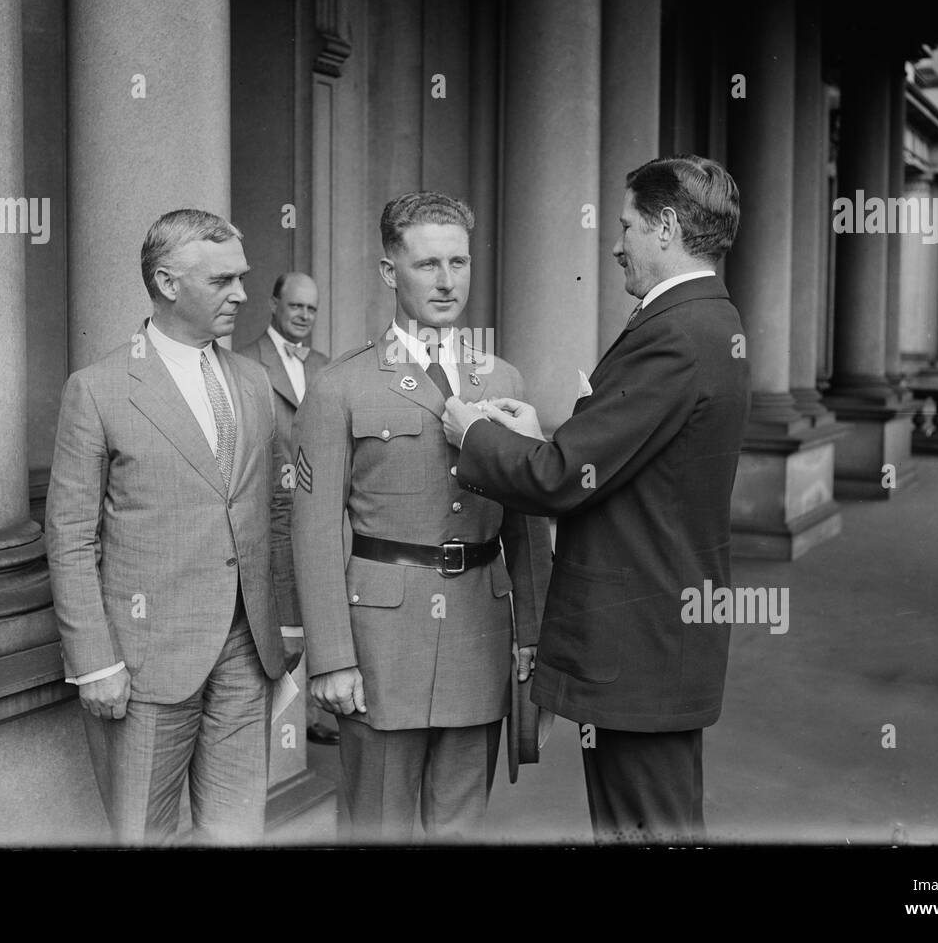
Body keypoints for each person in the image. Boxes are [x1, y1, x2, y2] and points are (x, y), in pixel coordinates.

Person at [442, 154, 751, 844]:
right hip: (657, 638)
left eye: (628, 225)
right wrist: (547, 434)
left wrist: (478, 433)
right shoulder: (706, 320)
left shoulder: (674, 332)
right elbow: (628, 457)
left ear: (666, 226)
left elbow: (558, 479)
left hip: (638, 640)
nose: (615, 244)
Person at [292, 191, 552, 842]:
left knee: (460, 825)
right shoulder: (340, 387)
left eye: (459, 263)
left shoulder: (502, 379)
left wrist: (533, 634)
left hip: (479, 628)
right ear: (389, 272)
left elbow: (523, 522)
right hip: (380, 641)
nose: (446, 281)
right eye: (427, 264)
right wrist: (330, 657)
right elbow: (315, 530)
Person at [46, 209, 301, 845]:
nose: (242, 294)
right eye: (222, 281)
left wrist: (287, 618)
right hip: (143, 659)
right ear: (166, 283)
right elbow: (71, 536)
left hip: (248, 648)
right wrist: (95, 661)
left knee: (237, 831)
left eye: (242, 278)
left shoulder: (253, 379)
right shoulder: (99, 389)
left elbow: (273, 507)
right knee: (143, 834)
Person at [237, 272, 338, 745]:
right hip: (269, 511)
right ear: (274, 304)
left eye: (311, 309)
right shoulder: (244, 362)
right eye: (295, 306)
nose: (303, 315)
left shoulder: (325, 366)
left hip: (319, 510)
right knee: (277, 608)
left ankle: (317, 711)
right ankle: (281, 717)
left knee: (320, 602)